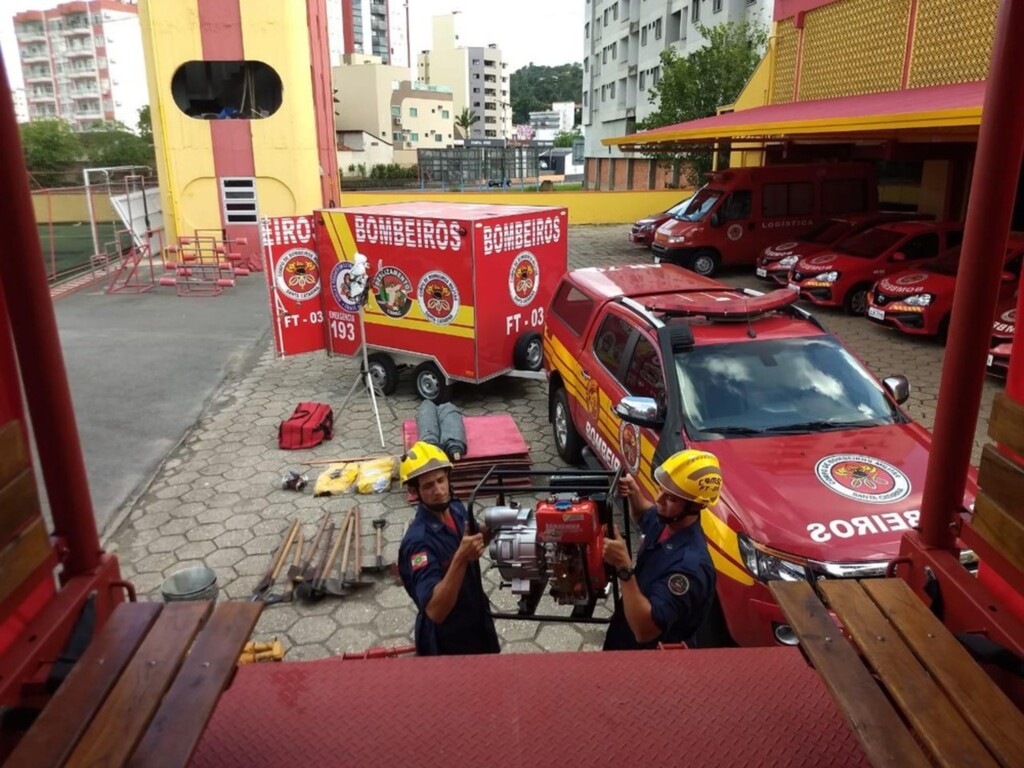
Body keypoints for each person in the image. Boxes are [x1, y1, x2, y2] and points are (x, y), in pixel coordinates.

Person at [602, 449, 720, 651]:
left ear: (696, 506)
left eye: (671, 498)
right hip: (624, 631)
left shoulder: (689, 569)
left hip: (651, 659)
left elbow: (644, 630)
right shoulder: (668, 521)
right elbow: (645, 515)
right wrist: (634, 494)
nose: (659, 500)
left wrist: (624, 568)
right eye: (661, 490)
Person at [398, 441, 500, 656]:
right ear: (413, 490)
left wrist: (494, 526)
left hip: (477, 620)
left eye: (441, 480)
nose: (439, 491)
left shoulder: (454, 507)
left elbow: (473, 537)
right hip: (447, 643)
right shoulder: (418, 544)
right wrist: (461, 558)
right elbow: (436, 611)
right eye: (428, 486)